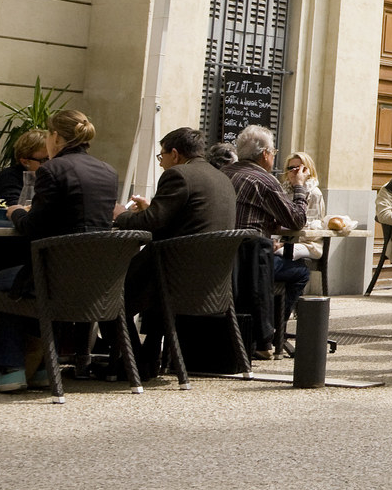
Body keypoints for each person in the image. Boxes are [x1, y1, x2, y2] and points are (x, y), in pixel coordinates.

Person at [0, 109, 117, 392]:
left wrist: (16, 213)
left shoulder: (52, 169)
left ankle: (10, 368)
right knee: (42, 275)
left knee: (1, 281)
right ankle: (45, 367)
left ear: (55, 137)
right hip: (96, 279)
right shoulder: (108, 171)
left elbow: (34, 226)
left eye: (48, 134)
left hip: (54, 274)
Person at [115, 125, 237, 374]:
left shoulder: (178, 174)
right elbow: (183, 217)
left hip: (174, 272)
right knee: (151, 289)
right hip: (212, 279)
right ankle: (147, 359)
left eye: (162, 157)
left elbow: (152, 223)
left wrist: (121, 215)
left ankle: (135, 363)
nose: (161, 164)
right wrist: (151, 209)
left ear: (174, 153)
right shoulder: (222, 177)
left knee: (106, 294)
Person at [223, 123, 312, 350]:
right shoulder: (265, 181)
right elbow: (296, 220)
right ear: (265, 154)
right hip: (250, 262)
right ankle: (273, 332)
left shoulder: (224, 173)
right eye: (273, 152)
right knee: (300, 271)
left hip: (221, 257)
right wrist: (299, 186)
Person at [0, 130, 50, 210]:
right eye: (45, 160)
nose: (51, 164)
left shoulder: (50, 179)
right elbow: (15, 208)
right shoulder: (8, 178)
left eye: (54, 159)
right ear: (25, 162)